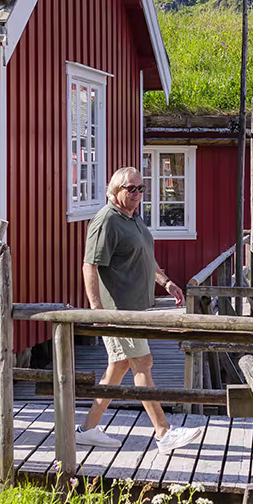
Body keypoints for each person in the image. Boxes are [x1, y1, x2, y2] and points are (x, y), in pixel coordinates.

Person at [74, 167, 203, 454]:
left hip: (137, 308)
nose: (137, 194)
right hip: (118, 311)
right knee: (142, 365)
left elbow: (147, 256)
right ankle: (163, 433)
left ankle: (88, 429)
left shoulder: (133, 218)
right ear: (115, 190)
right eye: (131, 189)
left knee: (119, 367)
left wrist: (166, 282)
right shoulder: (106, 220)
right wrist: (97, 310)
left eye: (141, 189)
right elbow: (89, 265)